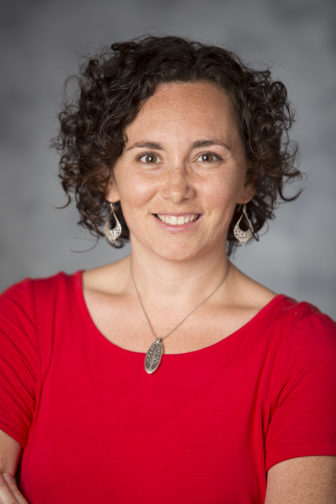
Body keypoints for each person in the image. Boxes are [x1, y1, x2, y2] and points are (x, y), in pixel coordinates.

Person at [0, 35, 335, 504]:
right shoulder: (27, 319)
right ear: (107, 176)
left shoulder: (305, 349)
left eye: (207, 157)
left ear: (249, 178)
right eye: (149, 157)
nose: (177, 189)